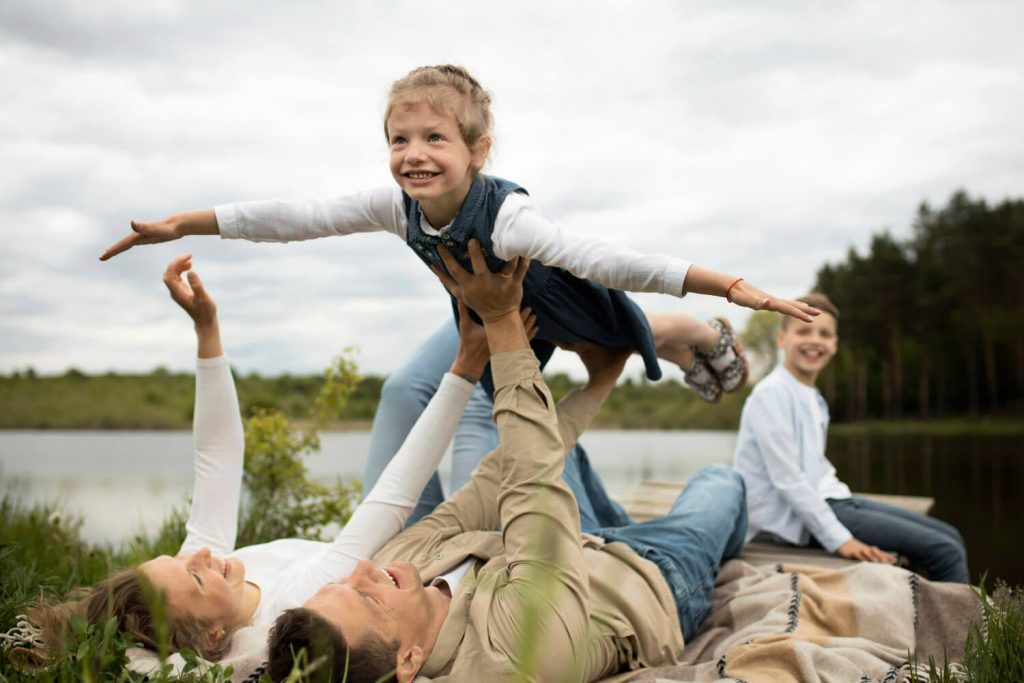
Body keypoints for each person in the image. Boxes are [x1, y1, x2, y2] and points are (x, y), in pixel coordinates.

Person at [266, 242, 749, 683]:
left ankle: (649, 336)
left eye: (344, 581)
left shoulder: (401, 566)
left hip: (581, 538)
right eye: (368, 597)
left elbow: (495, 483)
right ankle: (667, 333)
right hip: (653, 577)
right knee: (721, 482)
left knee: (545, 441)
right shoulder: (512, 656)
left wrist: (601, 381)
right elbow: (531, 482)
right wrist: (502, 324)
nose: (365, 569)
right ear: (408, 661)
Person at [28, 253, 518, 661]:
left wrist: (206, 329)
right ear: (214, 636)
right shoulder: (292, 601)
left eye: (177, 559)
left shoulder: (210, 578)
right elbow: (389, 500)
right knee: (488, 424)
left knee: (401, 395)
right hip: (418, 561)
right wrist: (465, 367)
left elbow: (217, 458)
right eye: (195, 575)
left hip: (396, 542)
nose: (199, 554)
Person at [732, 293, 969, 583]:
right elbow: (789, 479)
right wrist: (840, 539)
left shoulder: (813, 397)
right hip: (791, 521)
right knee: (944, 551)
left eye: (824, 333)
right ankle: (962, 628)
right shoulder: (771, 394)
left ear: (834, 344)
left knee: (950, 535)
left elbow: (815, 468)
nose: (814, 340)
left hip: (831, 499)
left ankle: (955, 621)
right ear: (782, 339)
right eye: (803, 330)